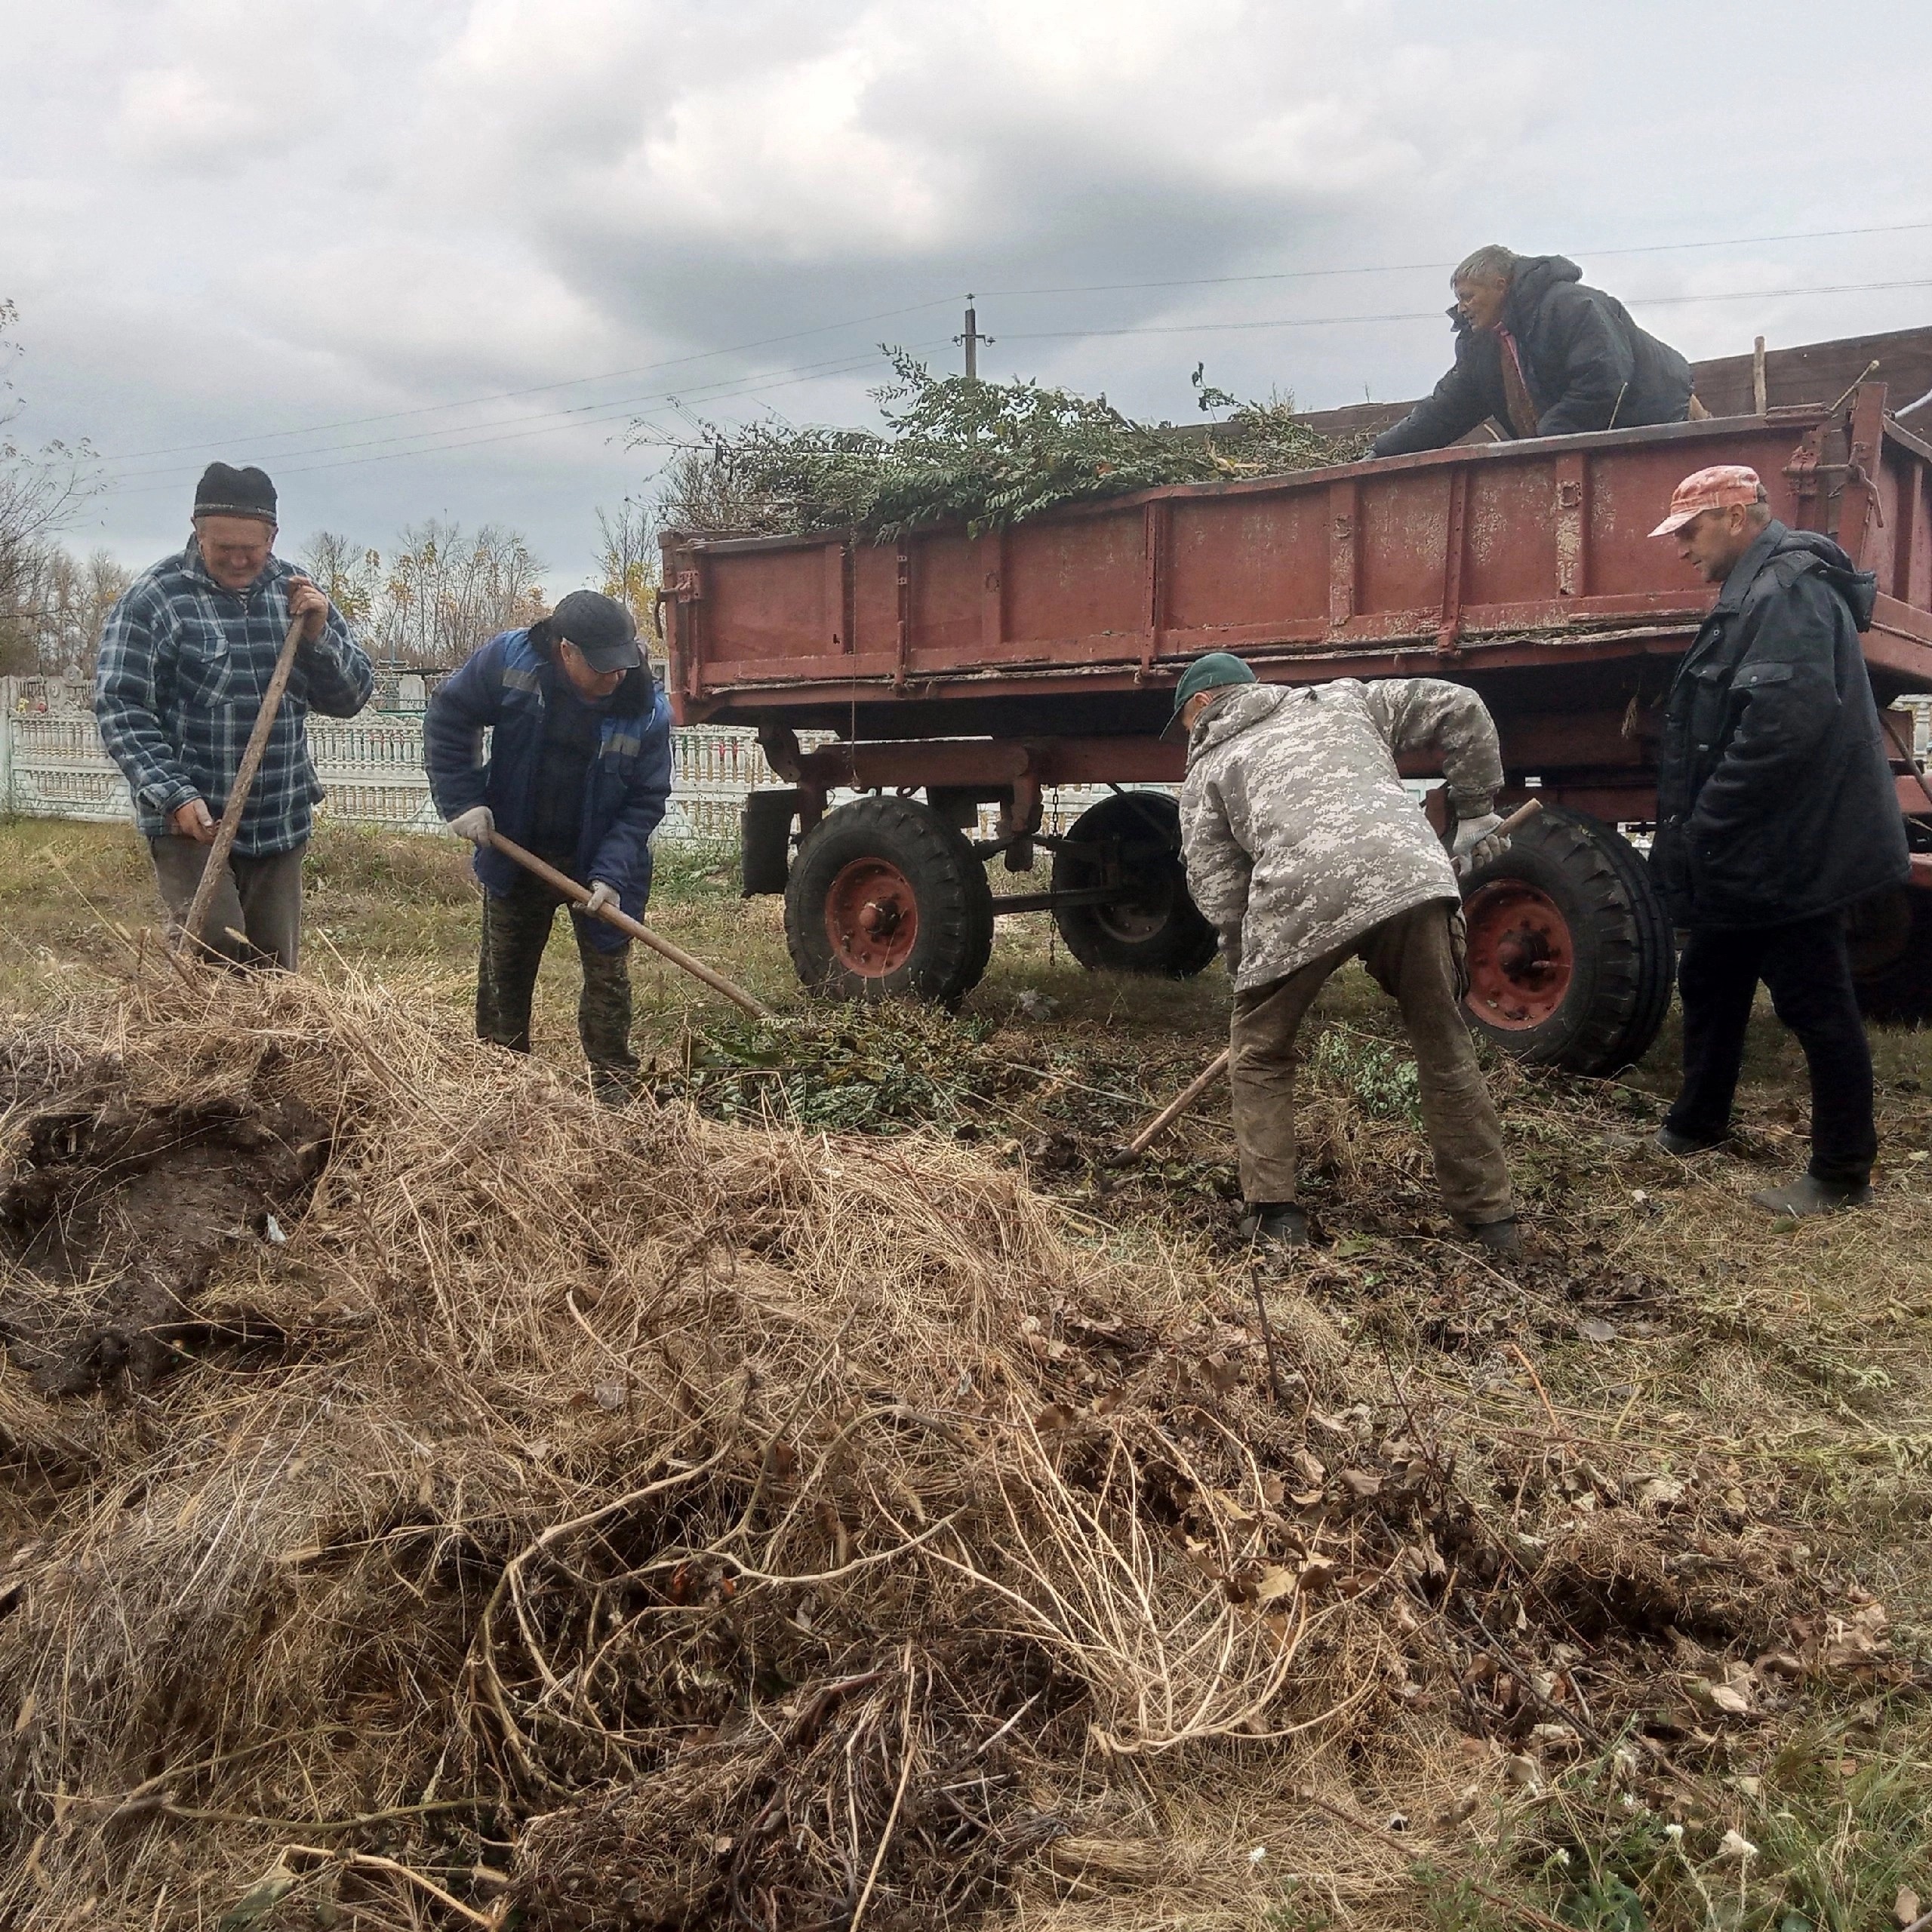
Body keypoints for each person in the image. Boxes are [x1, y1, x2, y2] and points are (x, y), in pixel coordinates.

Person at [1173, 651, 1521, 1252]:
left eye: (1181, 722)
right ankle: (1492, 1223)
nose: (1186, 737)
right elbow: (1459, 706)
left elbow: (1220, 889)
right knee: (1443, 1042)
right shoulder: (1344, 698)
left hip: (1299, 894)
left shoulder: (1208, 769)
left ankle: (1275, 1217)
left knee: (1257, 1053)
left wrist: (1247, 976)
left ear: (1202, 704)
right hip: (1412, 874)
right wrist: (1475, 812)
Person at [1647, 465, 1909, 1214]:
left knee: (1814, 1001)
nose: (1681, 549)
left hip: (1788, 844)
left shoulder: (1783, 591)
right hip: (1757, 843)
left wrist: (1708, 824)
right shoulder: (1760, 587)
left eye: (1690, 531)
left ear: (1735, 516)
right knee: (1710, 978)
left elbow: (1780, 731)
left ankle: (1839, 1174)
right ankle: (1695, 1125)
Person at [94, 462, 374, 969]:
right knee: (215, 959)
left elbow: (350, 698)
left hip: (278, 820)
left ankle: (276, 1052)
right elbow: (121, 708)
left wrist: (320, 635)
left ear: (273, 535)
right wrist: (173, 795)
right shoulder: (155, 600)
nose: (240, 559)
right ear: (197, 531)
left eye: (252, 546)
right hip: (193, 824)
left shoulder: (297, 598)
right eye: (224, 547)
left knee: (275, 975)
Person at [423, 589, 672, 1102]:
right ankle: (501, 1085)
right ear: (566, 650)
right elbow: (450, 716)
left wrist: (610, 874)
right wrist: (462, 801)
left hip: (600, 860)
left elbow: (645, 801)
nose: (616, 676)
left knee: (609, 985)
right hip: (517, 849)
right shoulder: (509, 661)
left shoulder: (645, 708)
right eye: (603, 667)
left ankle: (616, 1091)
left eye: (623, 663)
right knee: (504, 981)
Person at [1371, 246, 1696, 458]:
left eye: (1469, 296)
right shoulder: (1483, 344)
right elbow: (1447, 408)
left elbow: (1604, 380)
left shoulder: (1571, 307)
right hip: (1588, 444)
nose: (1462, 308)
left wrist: (1542, 443)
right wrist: (1381, 452)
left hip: (1663, 422)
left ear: (1500, 285)